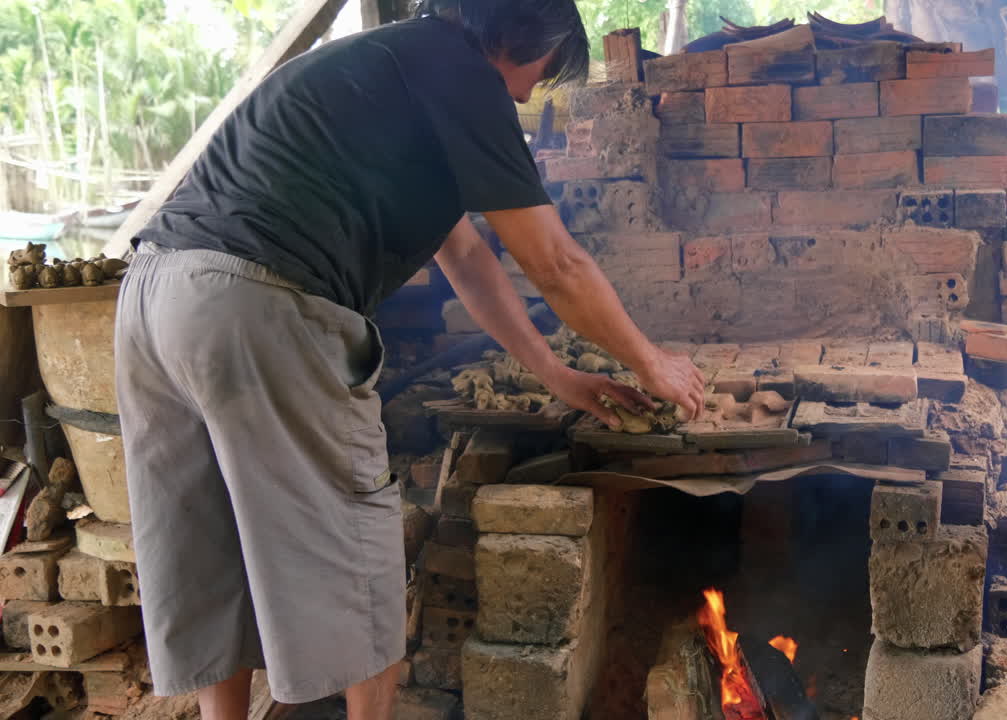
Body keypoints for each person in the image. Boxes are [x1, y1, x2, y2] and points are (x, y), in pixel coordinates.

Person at [113, 0, 705, 717]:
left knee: (212, 564)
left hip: (151, 301)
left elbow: (465, 257)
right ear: (519, 37)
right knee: (363, 582)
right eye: (539, 74)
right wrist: (652, 362)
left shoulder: (386, 68)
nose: (525, 95)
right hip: (258, 308)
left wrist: (552, 372)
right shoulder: (460, 72)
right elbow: (557, 263)